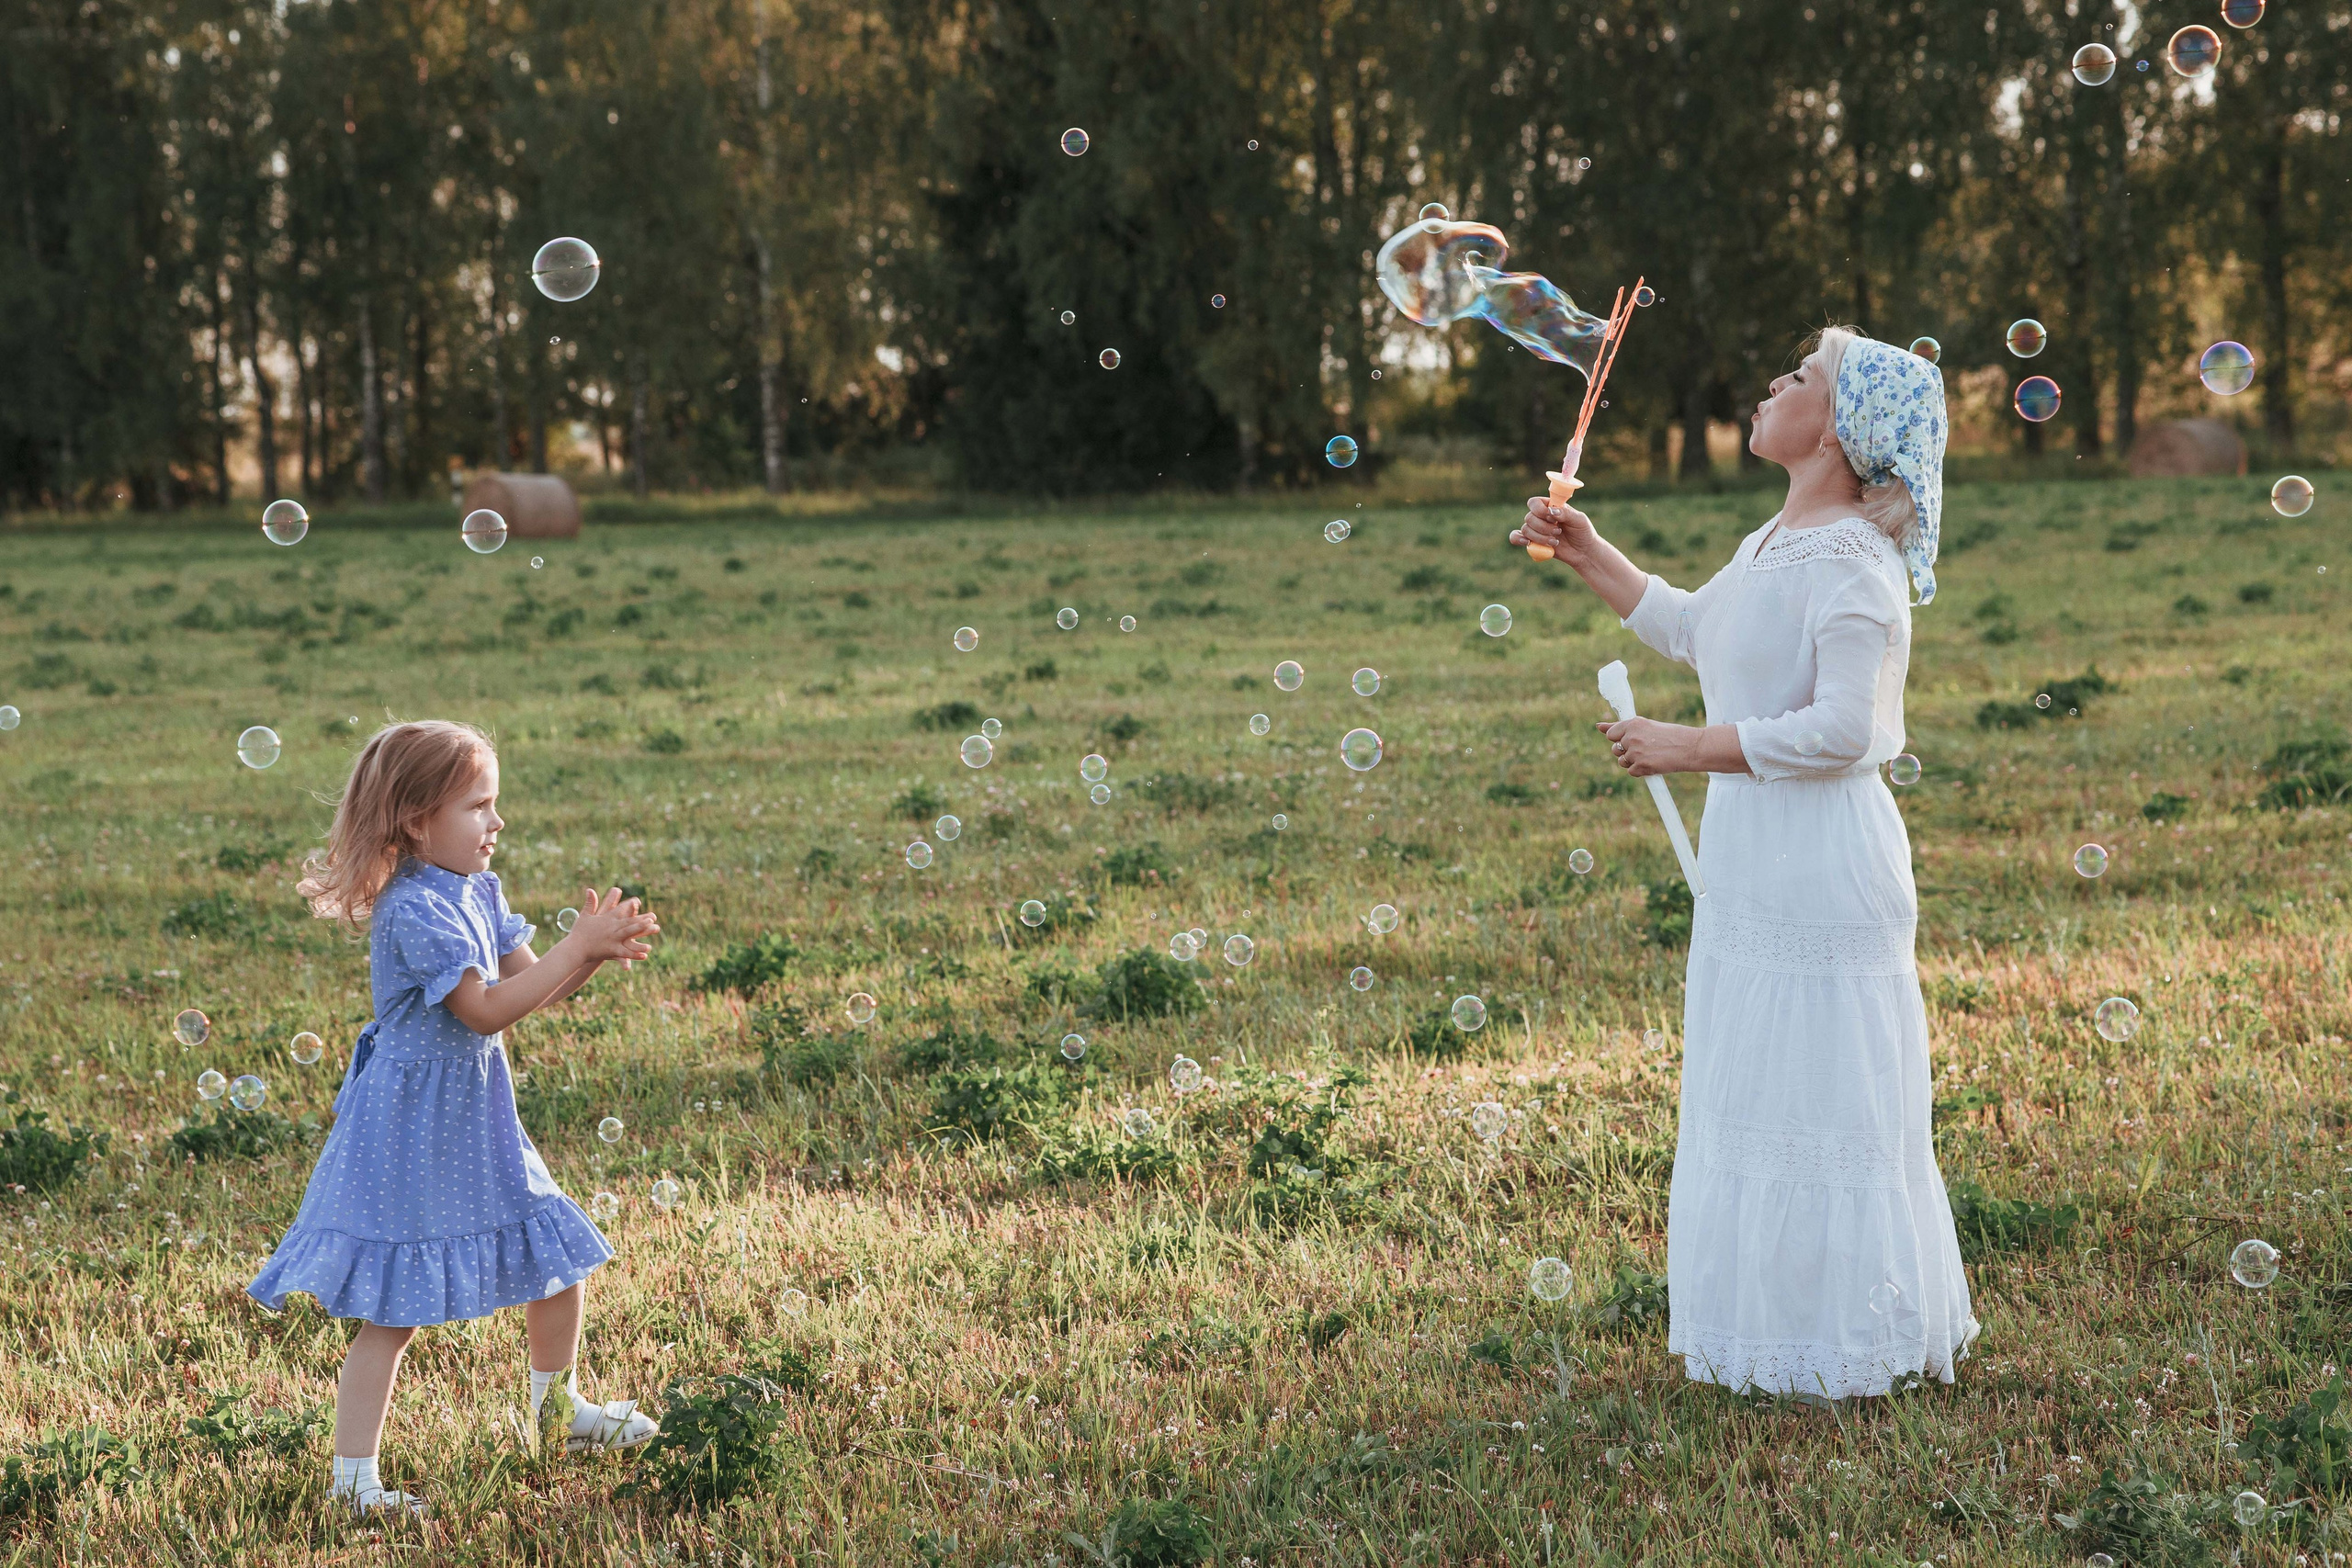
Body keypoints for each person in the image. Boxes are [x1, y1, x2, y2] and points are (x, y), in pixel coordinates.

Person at [1511, 327, 1978, 1401]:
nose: (1773, 383)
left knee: (1823, 1097)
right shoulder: (1772, 540)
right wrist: (1587, 551)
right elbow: (1694, 630)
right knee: (1760, 1089)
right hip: (1756, 855)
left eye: (1801, 376)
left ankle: (1848, 1340)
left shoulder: (1854, 560)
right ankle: (1770, 1334)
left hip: (1823, 863)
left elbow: (1848, 732)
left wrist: (1685, 747)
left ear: (1840, 430)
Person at [248, 720, 665, 1513]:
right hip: (408, 1132)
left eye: (494, 803)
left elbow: (532, 986)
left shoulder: (479, 888)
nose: (496, 821)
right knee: (393, 1313)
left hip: (475, 1119)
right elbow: (484, 1010)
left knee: (559, 1257)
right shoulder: (412, 909)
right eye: (478, 806)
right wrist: (574, 947)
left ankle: (558, 1413)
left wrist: (589, 952)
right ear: (416, 821)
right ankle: (354, 1482)